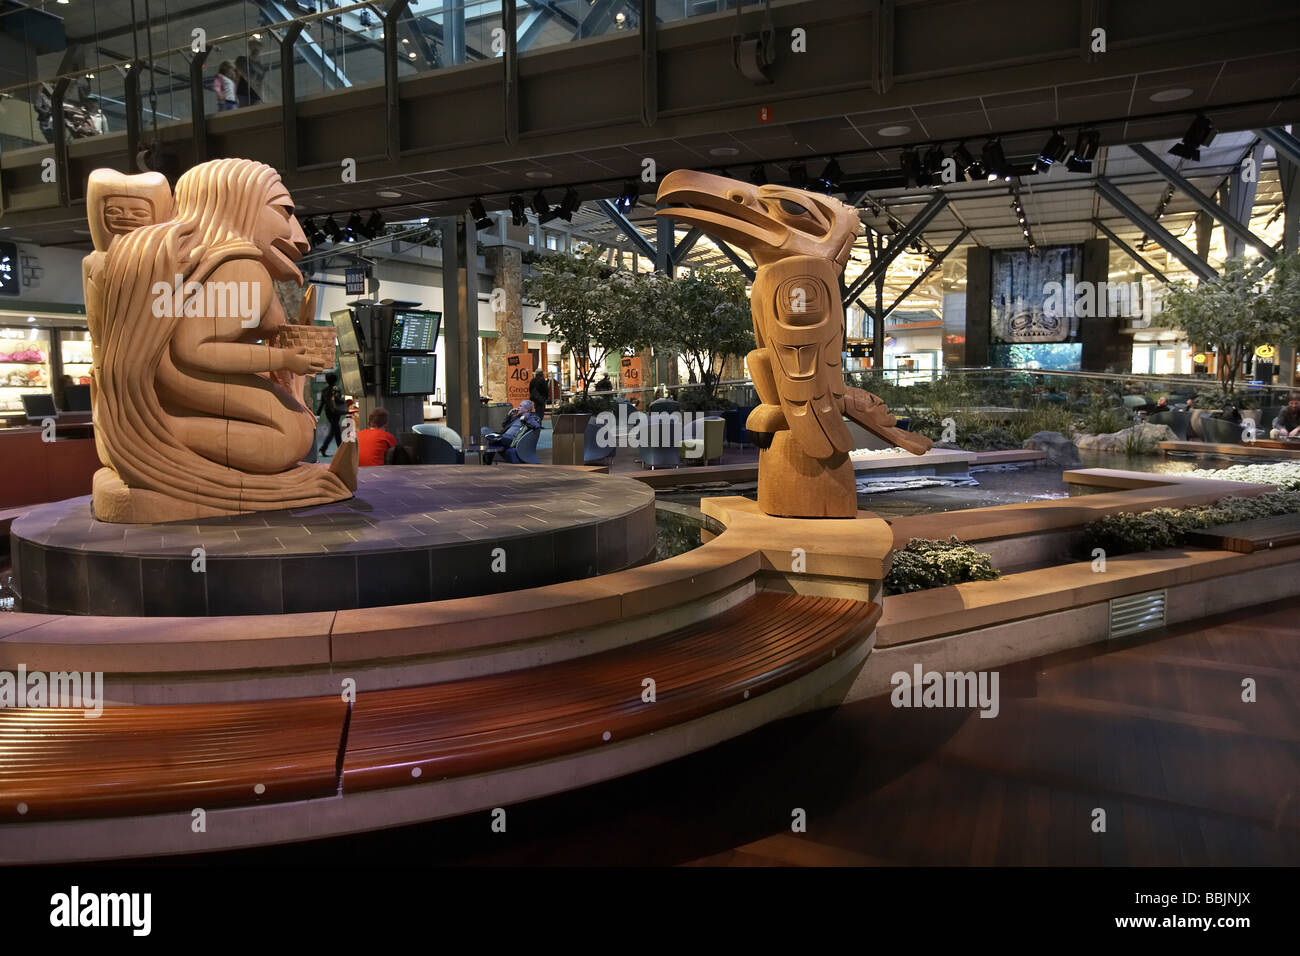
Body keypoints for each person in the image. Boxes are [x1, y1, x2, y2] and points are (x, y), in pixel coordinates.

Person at [480, 399, 541, 464]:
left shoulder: (533, 417)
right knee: (484, 429)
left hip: (511, 440)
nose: (518, 407)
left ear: (527, 410)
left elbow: (536, 425)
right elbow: (504, 426)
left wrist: (525, 418)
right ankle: (494, 440)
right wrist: (509, 416)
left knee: (492, 439)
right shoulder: (517, 417)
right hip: (503, 436)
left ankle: (487, 461)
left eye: (520, 406)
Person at [316, 372, 346, 457]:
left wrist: (317, 415)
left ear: (326, 380)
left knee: (334, 430)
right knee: (336, 431)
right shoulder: (337, 389)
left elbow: (322, 403)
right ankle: (340, 450)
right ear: (336, 380)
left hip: (328, 412)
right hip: (336, 412)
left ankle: (324, 448)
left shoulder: (324, 390)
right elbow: (340, 401)